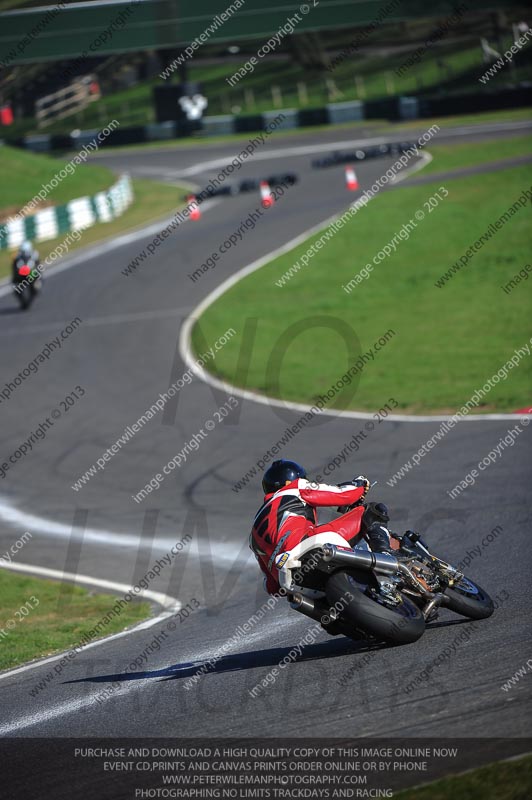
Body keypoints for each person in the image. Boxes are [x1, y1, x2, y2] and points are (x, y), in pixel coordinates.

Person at [249, 459, 396, 595]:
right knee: (373, 510)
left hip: (289, 576)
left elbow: (271, 587)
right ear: (293, 480)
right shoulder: (294, 488)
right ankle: (385, 555)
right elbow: (344, 495)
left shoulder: (253, 534)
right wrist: (360, 484)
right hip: (308, 544)